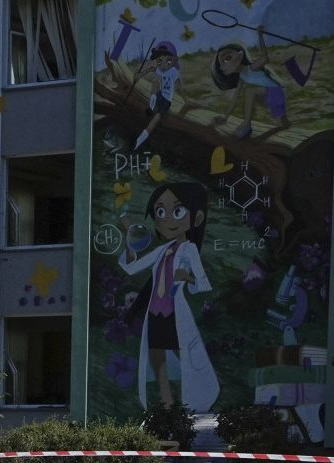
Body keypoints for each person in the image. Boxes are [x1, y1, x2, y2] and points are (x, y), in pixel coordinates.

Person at [117, 181, 219, 414]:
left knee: (184, 358)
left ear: (197, 218)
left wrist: (189, 278)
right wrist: (130, 244)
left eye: (178, 211)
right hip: (155, 313)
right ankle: (167, 405)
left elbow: (203, 284)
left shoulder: (189, 250)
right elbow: (132, 268)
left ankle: (194, 398)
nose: (167, 220)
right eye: (160, 212)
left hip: (175, 313)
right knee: (158, 360)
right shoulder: (163, 250)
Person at [132, 40, 182, 152]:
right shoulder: (158, 70)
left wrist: (185, 99)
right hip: (158, 96)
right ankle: (151, 107)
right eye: (160, 61)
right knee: (155, 82)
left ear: (174, 61)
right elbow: (148, 70)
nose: (163, 65)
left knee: (154, 121)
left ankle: (139, 142)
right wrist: (138, 76)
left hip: (166, 102)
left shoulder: (173, 72)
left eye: (168, 61)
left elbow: (179, 85)